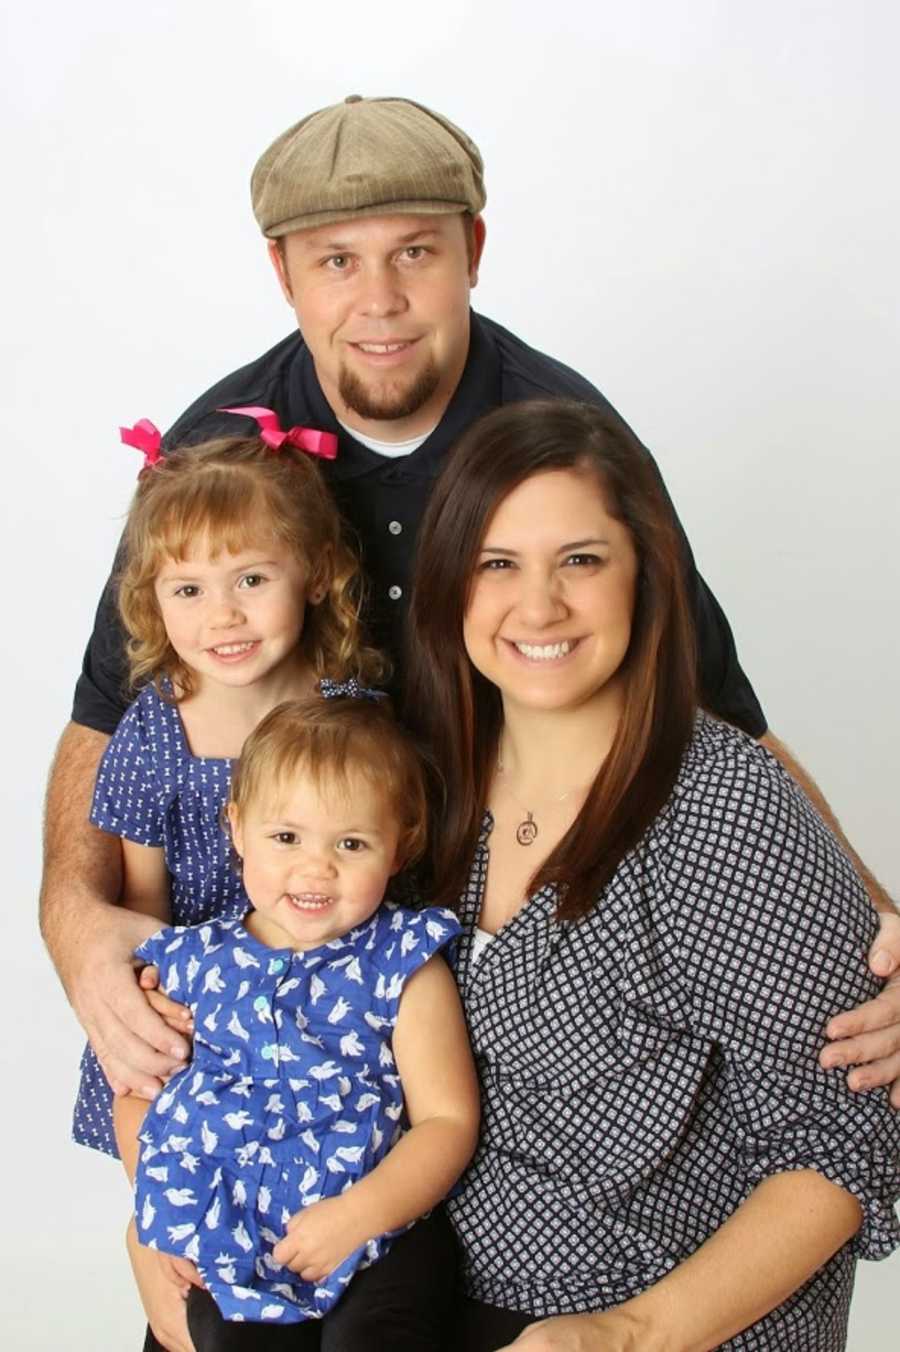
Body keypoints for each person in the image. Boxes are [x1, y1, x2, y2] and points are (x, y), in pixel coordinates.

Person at [40, 92, 899, 1219]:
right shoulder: (214, 458)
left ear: (474, 253)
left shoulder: (563, 438)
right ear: (283, 272)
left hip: (470, 953)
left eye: (416, 253)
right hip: (257, 956)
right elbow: (109, 713)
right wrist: (74, 921)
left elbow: (721, 717)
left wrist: (877, 922)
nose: (379, 299)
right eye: (336, 260)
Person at [402, 398, 900, 1351]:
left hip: (658, 1316)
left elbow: (847, 1136)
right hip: (439, 1295)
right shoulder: (425, 786)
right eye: (496, 564)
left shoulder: (720, 806)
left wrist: (627, 1333)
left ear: (646, 578)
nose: (538, 606)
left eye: (580, 561)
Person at [114, 692, 478, 1352]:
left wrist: (359, 1216)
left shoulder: (402, 962)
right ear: (237, 827)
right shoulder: (191, 965)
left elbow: (448, 1121)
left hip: (379, 1229)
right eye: (286, 837)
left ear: (399, 848)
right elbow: (139, 1100)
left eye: (352, 842)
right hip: (235, 1241)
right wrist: (168, 1215)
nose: (317, 867)